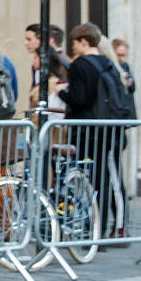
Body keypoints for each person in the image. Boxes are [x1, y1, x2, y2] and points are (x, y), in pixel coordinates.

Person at [57, 22, 133, 238]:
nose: (72, 47)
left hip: (89, 132)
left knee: (93, 180)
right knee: (108, 179)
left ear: (84, 42)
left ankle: (99, 228)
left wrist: (62, 92)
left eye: (74, 42)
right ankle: (114, 227)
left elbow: (80, 99)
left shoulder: (81, 65)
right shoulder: (106, 63)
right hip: (107, 131)